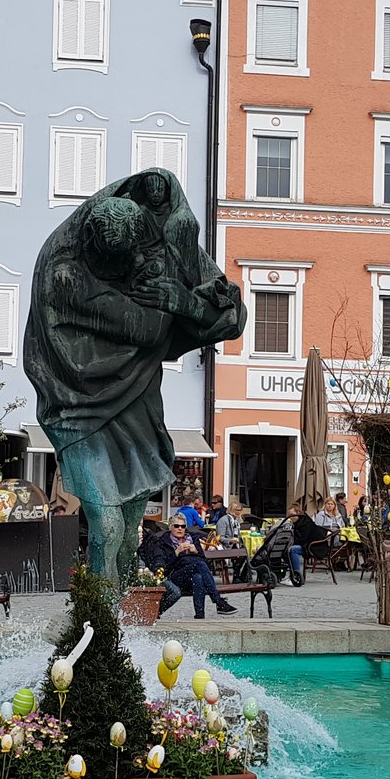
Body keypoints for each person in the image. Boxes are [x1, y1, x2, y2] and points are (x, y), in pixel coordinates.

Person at [22, 171, 245, 582]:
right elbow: (148, 329)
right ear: (95, 248)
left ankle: (120, 632)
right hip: (78, 412)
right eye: (124, 260)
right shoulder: (63, 275)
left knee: (127, 534)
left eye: (139, 252)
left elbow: (231, 317)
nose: (138, 264)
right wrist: (181, 305)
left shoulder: (147, 241)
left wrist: (188, 301)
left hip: (136, 405)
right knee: (106, 528)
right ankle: (96, 625)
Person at [154, 515, 233, 618]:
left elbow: (205, 562)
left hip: (191, 576)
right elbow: (164, 566)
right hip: (176, 575)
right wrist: (177, 552)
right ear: (170, 527)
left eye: (183, 526)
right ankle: (218, 601)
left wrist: (196, 551)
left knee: (198, 577)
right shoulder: (164, 541)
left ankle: (199, 616)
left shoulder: (192, 539)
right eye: (176, 526)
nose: (180, 529)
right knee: (199, 566)